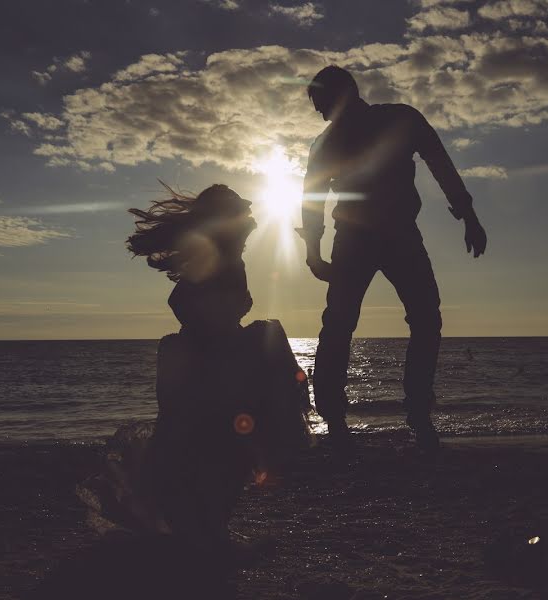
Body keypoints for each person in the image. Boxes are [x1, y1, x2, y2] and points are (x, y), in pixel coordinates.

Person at [297, 66, 487, 452]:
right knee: (340, 324)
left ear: (345, 92)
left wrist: (467, 213)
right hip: (356, 238)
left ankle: (415, 413)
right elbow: (312, 198)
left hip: (398, 234)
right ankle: (336, 418)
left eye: (322, 104)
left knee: (423, 318)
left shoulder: (400, 118)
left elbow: (440, 163)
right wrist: (313, 250)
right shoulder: (327, 142)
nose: (319, 114)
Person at [119, 183, 308, 558]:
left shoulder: (223, 255)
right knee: (221, 449)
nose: (247, 232)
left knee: (225, 450)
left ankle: (209, 531)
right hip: (211, 363)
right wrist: (218, 324)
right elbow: (182, 302)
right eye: (241, 225)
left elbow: (187, 300)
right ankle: (209, 533)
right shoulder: (217, 257)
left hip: (215, 358)